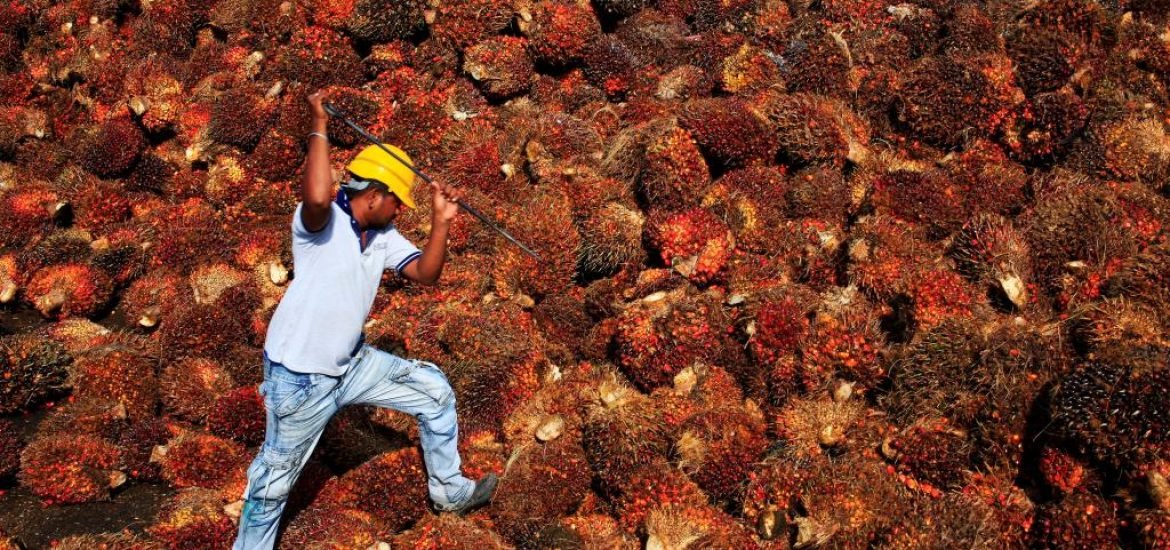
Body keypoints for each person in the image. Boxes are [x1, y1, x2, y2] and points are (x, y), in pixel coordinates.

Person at [232, 90, 497, 550]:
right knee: (273, 483)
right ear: (375, 196)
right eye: (398, 203)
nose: (400, 212)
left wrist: (441, 221)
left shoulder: (382, 235)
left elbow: (426, 275)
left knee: (433, 391)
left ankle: (450, 492)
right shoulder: (319, 224)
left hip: (351, 364)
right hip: (299, 379)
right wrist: (319, 123)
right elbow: (316, 194)